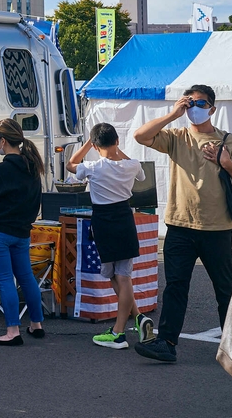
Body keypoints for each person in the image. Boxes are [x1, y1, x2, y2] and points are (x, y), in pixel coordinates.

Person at [133, 85, 232, 362]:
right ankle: (166, 342)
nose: (194, 109)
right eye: (189, 103)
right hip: (179, 226)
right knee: (175, 286)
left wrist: (226, 163)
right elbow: (140, 135)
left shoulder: (229, 141)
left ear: (212, 109)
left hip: (217, 229)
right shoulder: (177, 137)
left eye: (200, 104)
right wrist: (172, 113)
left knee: (225, 290)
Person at [66, 123, 155, 349]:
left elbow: (70, 165)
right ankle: (139, 318)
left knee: (116, 277)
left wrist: (88, 143)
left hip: (103, 223)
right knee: (121, 276)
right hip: (125, 219)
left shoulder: (94, 166)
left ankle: (118, 332)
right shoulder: (132, 165)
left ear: (95, 146)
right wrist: (117, 150)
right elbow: (142, 174)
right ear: (117, 141)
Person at [0, 118, 45, 346]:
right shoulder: (32, 167)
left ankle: (12, 331)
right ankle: (36, 324)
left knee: (5, 280)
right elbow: (36, 202)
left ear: (3, 141)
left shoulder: (2, 170)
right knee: (26, 278)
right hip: (22, 232)